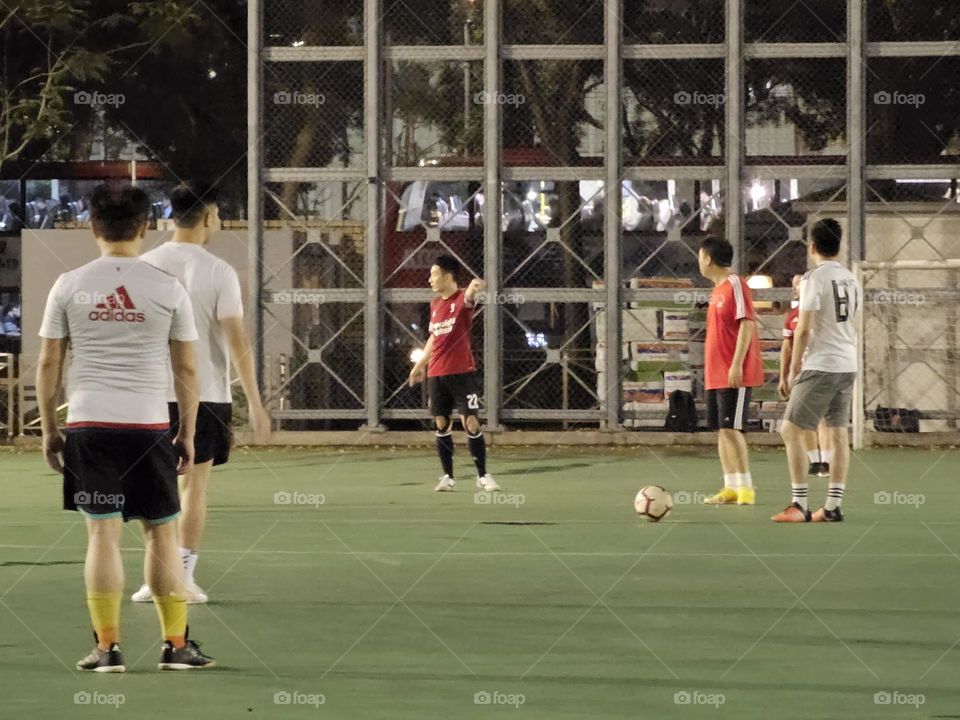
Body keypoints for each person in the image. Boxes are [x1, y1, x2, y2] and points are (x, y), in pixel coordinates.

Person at [36, 184, 214, 672]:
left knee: (102, 535)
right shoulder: (166, 286)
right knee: (160, 534)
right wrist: (188, 434)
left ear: (92, 226)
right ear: (145, 227)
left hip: (89, 425)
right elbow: (188, 370)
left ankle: (107, 648)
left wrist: (51, 429)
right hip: (148, 424)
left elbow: (50, 362)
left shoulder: (69, 284)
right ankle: (175, 646)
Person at [131, 182, 271, 604]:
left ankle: (156, 576)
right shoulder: (218, 270)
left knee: (155, 488)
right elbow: (236, 340)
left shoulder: (144, 265)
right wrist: (256, 403)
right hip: (206, 393)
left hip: (151, 394)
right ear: (209, 215)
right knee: (195, 488)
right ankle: (183, 576)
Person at [773, 219, 860, 523]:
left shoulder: (813, 278)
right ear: (840, 245)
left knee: (790, 429)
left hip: (821, 363)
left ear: (811, 247)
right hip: (848, 363)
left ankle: (799, 504)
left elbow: (804, 327)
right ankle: (833, 506)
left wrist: (793, 369)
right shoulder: (850, 278)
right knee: (836, 432)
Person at [408, 254, 499, 493]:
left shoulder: (461, 299)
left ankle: (483, 476)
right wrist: (420, 365)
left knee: (470, 422)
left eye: (434, 274)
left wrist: (472, 288)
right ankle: (447, 476)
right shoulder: (435, 305)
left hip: (462, 373)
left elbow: (469, 297)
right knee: (441, 422)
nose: (430, 279)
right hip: (437, 374)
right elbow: (433, 338)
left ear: (448, 276)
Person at [699, 237, 764, 506]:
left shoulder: (736, 284)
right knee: (722, 430)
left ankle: (746, 487)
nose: (698, 261)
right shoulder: (716, 291)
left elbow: (747, 323)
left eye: (699, 255)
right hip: (715, 373)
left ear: (708, 259)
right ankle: (730, 486)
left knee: (733, 428)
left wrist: (736, 363)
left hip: (732, 372)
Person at [779, 274, 831, 477]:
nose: (798, 287)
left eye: (801, 283)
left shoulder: (821, 314)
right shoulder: (792, 315)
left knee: (824, 419)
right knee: (806, 420)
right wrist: (783, 376)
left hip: (820, 371)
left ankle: (826, 461)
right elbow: (787, 347)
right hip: (800, 374)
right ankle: (814, 460)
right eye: (795, 285)